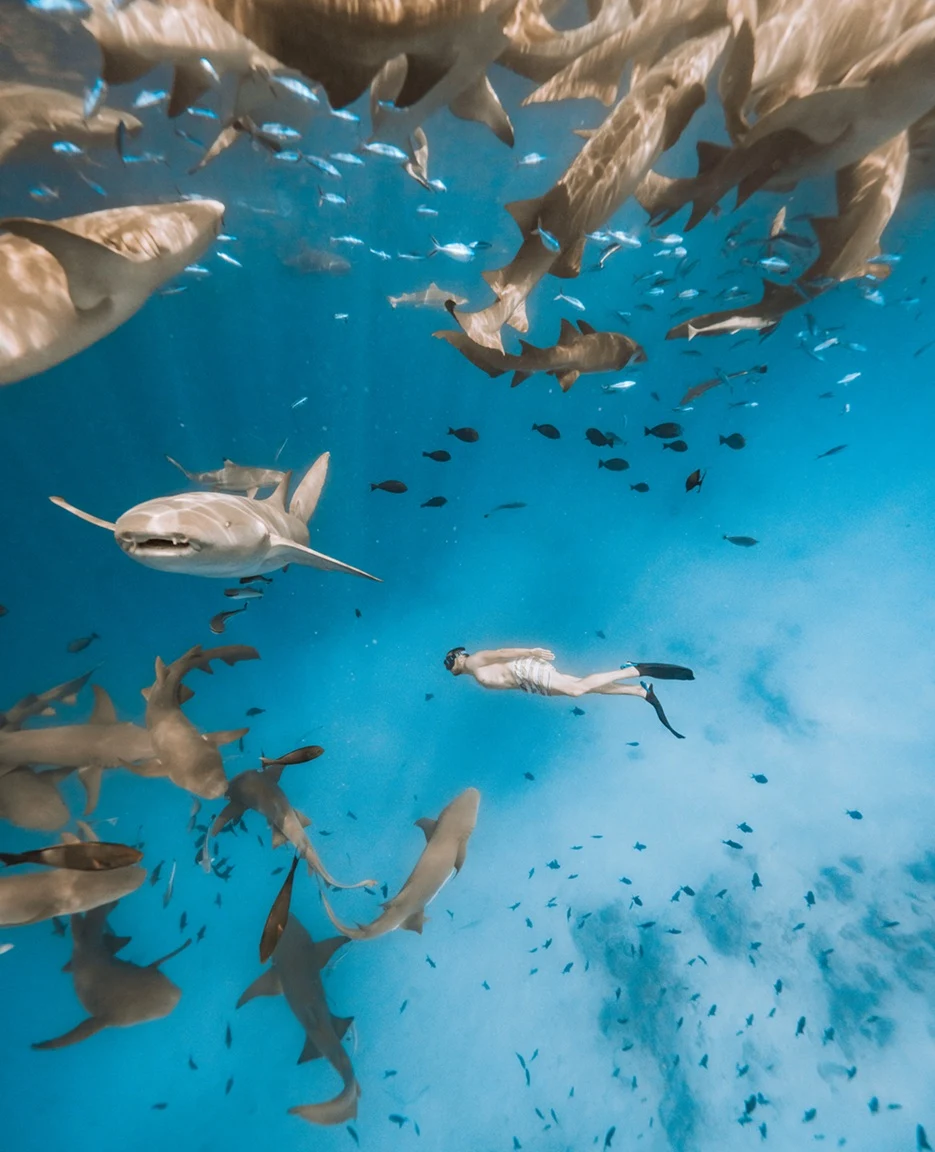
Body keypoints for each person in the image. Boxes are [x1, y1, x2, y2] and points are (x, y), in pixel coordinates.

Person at [443, 645, 692, 738]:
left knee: (576, 690)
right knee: (585, 688)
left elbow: (499, 654)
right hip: (528, 683)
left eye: (449, 661)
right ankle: (640, 693)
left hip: (526, 671)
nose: (449, 666)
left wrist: (530, 652)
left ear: (458, 657)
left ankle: (635, 670)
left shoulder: (473, 661)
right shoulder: (474, 673)